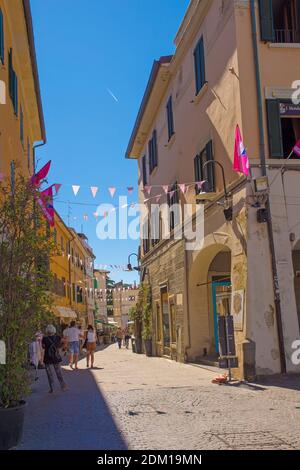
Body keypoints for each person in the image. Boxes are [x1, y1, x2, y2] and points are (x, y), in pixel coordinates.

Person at [42, 325, 67, 393]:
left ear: (47, 331)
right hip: (56, 357)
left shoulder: (44, 339)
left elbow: (43, 347)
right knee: (58, 372)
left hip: (47, 357)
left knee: (49, 374)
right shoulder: (58, 337)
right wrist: (62, 348)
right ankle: (63, 386)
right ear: (54, 330)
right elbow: (64, 341)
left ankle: (52, 388)